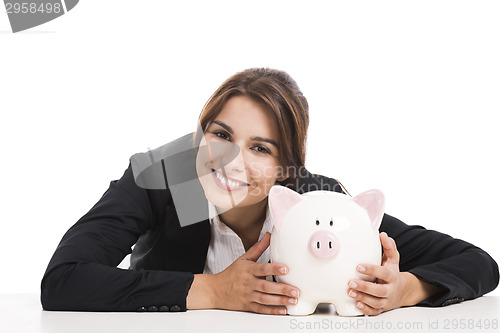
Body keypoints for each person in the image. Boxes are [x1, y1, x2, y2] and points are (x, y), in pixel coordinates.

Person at [41, 68, 499, 316]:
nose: (230, 161)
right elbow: (62, 280)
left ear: (286, 169)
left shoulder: (317, 203)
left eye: (260, 147)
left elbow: (477, 262)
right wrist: (215, 292)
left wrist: (406, 290)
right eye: (221, 134)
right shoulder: (157, 179)